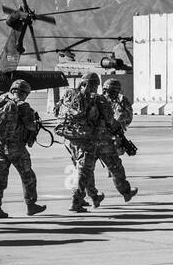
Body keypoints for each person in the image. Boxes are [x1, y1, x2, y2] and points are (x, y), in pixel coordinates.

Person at [0, 80, 46, 218]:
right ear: (25, 93)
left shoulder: (0, 102)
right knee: (28, 176)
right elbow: (30, 126)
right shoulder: (23, 105)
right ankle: (31, 205)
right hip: (16, 147)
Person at [54, 72, 103, 213]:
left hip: (70, 137)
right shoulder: (91, 99)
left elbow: (56, 111)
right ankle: (76, 201)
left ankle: (92, 196)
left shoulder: (68, 94)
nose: (95, 88)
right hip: (85, 138)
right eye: (95, 85)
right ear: (89, 84)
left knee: (82, 168)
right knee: (84, 170)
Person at [87, 78, 138, 206]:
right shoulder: (104, 102)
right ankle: (126, 192)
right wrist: (118, 133)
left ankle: (90, 197)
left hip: (90, 142)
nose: (116, 93)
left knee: (86, 170)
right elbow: (116, 120)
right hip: (105, 141)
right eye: (115, 91)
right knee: (116, 167)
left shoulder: (92, 99)